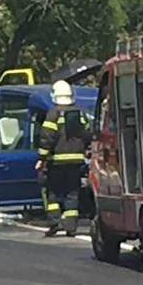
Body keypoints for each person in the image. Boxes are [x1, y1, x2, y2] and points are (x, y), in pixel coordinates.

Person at [36, 80, 92, 237]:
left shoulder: (53, 114)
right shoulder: (79, 113)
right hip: (76, 161)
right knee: (72, 193)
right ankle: (71, 227)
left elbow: (47, 137)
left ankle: (54, 223)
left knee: (52, 192)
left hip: (56, 161)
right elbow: (88, 133)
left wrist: (42, 157)